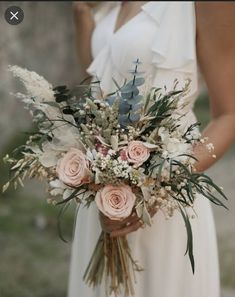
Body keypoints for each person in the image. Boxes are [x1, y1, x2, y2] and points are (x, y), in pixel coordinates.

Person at [68, 2, 235, 297]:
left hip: (164, 199)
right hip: (101, 189)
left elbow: (228, 115)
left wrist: (157, 184)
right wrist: (82, 14)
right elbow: (97, 80)